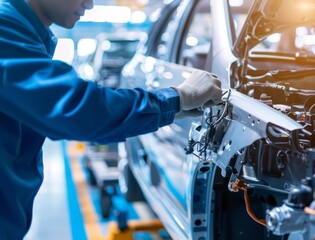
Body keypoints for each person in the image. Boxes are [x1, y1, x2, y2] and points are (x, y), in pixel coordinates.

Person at [0, 0, 222, 238]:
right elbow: (80, 110)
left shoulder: (26, 33)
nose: (90, 4)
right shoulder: (5, 29)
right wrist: (176, 98)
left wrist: (174, 106)